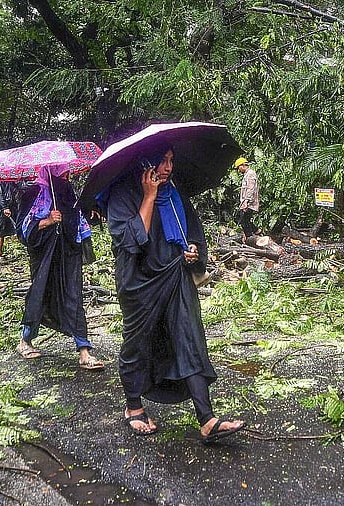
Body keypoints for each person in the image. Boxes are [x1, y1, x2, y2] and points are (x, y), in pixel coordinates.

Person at [101, 144, 246, 441]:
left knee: (188, 336)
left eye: (171, 160)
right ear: (145, 161)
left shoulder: (175, 192)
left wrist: (192, 250)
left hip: (175, 274)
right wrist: (150, 196)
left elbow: (191, 231)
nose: (167, 168)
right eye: (161, 161)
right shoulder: (122, 193)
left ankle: (206, 418)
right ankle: (133, 406)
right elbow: (130, 241)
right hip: (139, 282)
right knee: (137, 343)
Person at [14, 168, 104, 371]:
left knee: (74, 295)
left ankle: (84, 350)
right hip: (44, 255)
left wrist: (90, 213)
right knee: (41, 294)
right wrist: (46, 221)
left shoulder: (67, 192)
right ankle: (25, 340)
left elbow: (76, 215)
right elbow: (22, 230)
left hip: (68, 252)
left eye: (67, 174)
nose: (66, 178)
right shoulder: (32, 194)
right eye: (62, 175)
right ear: (50, 173)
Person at [0, 181, 20, 263]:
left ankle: (0, 254)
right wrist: (4, 207)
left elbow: (17, 187)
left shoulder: (8, 180)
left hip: (8, 207)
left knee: (5, 230)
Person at [234, 157, 259, 240]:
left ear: (243, 165)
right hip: (246, 202)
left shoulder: (250, 174)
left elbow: (250, 189)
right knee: (239, 218)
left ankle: (250, 238)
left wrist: (246, 202)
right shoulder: (247, 174)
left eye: (238, 168)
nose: (238, 170)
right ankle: (256, 230)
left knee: (244, 221)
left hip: (249, 202)